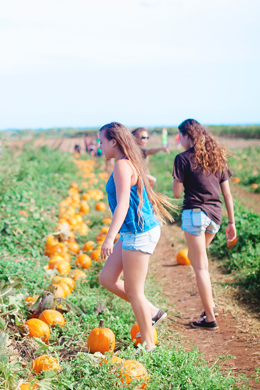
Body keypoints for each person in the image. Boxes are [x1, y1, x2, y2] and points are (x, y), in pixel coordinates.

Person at [97, 122, 174, 353]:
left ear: (113, 141)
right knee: (107, 279)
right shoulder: (126, 163)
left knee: (134, 291)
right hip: (134, 231)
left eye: (102, 141)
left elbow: (122, 204)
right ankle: (151, 312)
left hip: (138, 232)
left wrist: (110, 238)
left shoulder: (122, 166)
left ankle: (149, 345)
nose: (100, 146)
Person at [172, 119, 237, 331]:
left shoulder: (182, 159)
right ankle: (211, 306)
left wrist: (175, 178)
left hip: (196, 214)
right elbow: (227, 193)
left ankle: (209, 318)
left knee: (200, 267)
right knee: (198, 260)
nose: (180, 140)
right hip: (215, 217)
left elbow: (176, 193)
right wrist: (232, 222)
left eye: (180, 136)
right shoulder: (217, 157)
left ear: (187, 136)